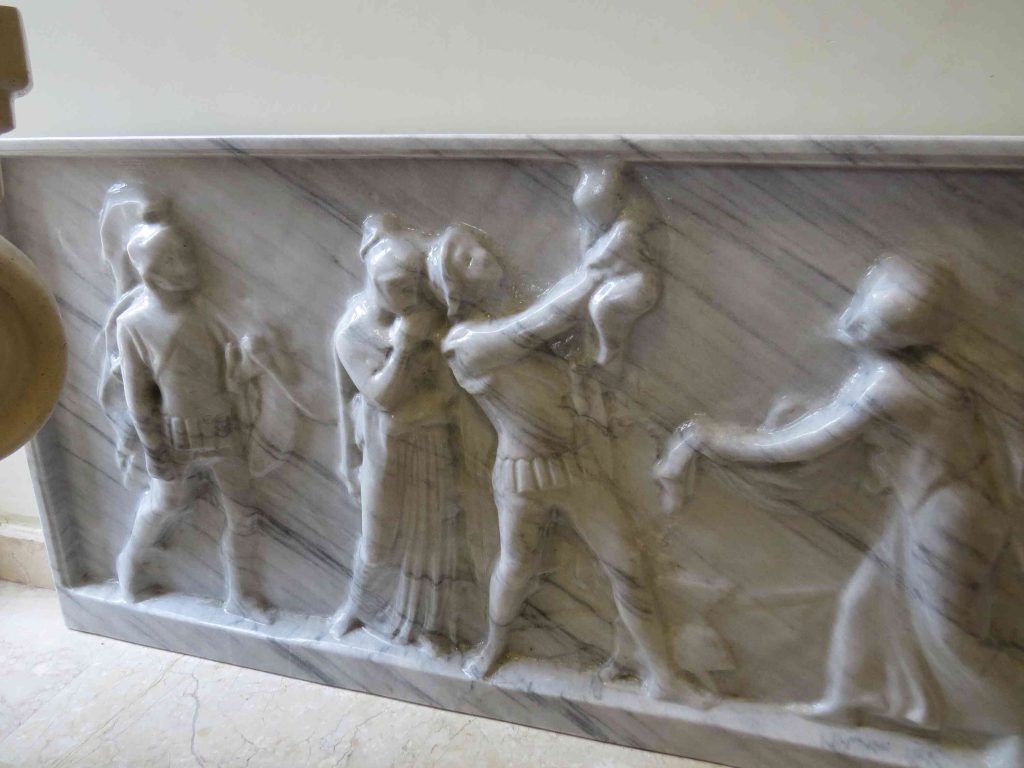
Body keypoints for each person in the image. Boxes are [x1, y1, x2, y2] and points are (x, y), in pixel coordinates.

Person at [662, 254, 1024, 733]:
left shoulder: (886, 384)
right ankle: (845, 701)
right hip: (946, 508)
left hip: (945, 518)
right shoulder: (939, 369)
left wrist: (712, 438)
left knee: (952, 637)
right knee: (863, 603)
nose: (853, 322)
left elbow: (795, 447)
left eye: (870, 319)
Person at [431, 223, 712, 705]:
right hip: (522, 474)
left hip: (577, 466)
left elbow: (561, 353)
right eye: (462, 257)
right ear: (453, 288)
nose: (479, 252)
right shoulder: (464, 345)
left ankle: (664, 677)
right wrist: (598, 266)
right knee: (516, 566)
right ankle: (493, 645)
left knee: (628, 565)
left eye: (477, 244)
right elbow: (540, 322)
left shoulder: (510, 326)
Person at [114, 221, 272, 621]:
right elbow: (139, 397)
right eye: (173, 258)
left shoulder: (209, 313)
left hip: (223, 430)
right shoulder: (133, 325)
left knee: (244, 515)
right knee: (163, 505)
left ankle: (243, 596)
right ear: (152, 272)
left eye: (185, 252)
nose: (187, 263)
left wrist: (251, 365)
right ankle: (129, 567)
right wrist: (155, 449)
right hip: (175, 435)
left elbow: (233, 373)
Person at [330, 214, 463, 653]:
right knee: (378, 537)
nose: (412, 297)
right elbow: (382, 396)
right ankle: (357, 606)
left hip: (430, 439)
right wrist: (405, 349)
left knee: (432, 534)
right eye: (400, 288)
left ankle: (426, 626)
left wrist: (421, 404)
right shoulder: (352, 331)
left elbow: (449, 389)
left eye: (416, 286)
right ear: (376, 283)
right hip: (383, 446)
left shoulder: (427, 318)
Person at [572, 162, 666, 375]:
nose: (594, 221)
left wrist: (591, 245)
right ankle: (608, 358)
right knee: (599, 311)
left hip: (638, 284)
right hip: (624, 281)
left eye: (595, 214)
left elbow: (596, 260)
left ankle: (609, 357)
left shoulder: (625, 230)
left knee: (601, 307)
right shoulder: (612, 229)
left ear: (614, 203)